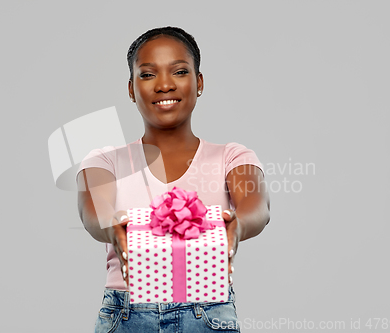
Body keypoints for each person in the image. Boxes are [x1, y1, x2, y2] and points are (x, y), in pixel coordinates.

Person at [76, 26, 270, 333]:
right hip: (127, 313)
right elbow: (93, 211)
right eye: (148, 74)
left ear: (199, 82)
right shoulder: (105, 160)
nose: (164, 85)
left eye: (179, 71)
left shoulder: (231, 157)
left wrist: (237, 227)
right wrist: (113, 229)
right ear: (131, 89)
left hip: (206, 312)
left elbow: (257, 205)